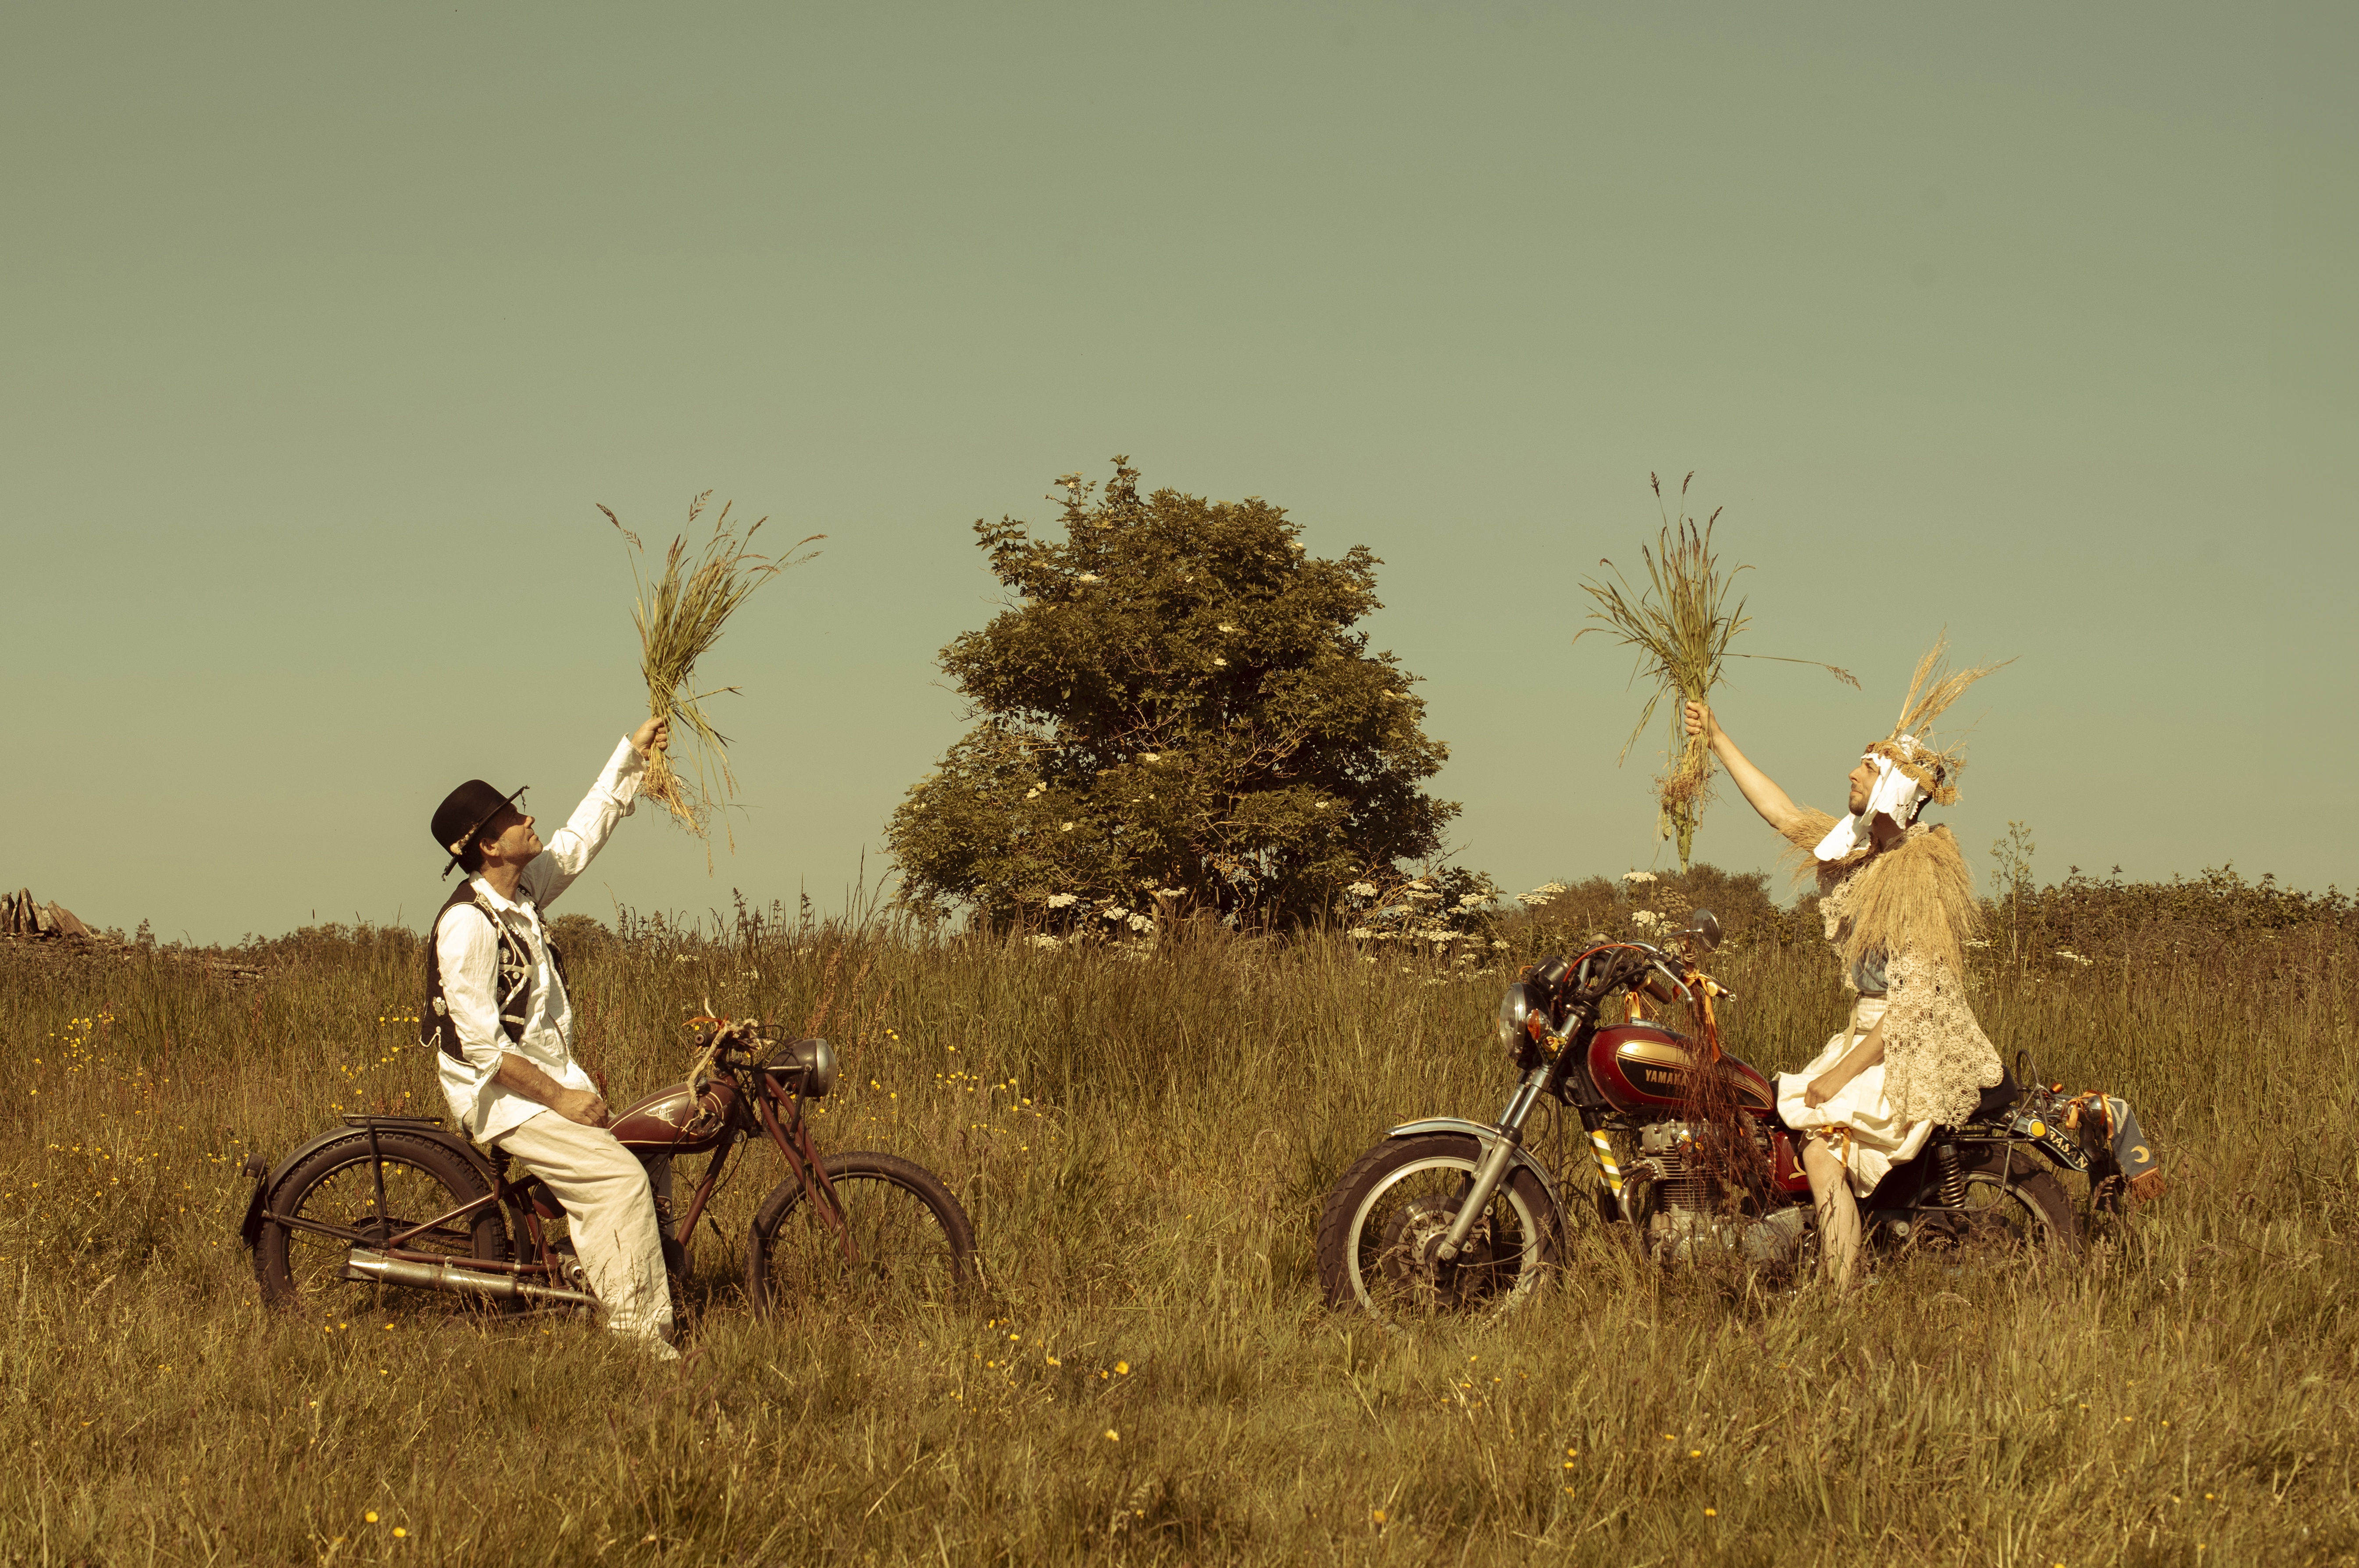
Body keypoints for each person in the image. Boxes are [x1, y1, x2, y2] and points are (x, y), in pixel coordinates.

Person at [1682, 645, 2004, 1291]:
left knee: (1823, 1154)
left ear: (1893, 790)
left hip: (1908, 1046)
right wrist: (1716, 738)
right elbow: (1782, 814)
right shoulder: (1860, 855)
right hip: (1868, 1033)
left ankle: (1840, 1295)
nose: (1851, 774)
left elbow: (1913, 1005)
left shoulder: (1918, 876)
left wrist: (1839, 1077)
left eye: (1865, 769)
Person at [422, 717, 679, 1357]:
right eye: (514, 817)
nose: (529, 818)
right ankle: (641, 1344)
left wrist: (632, 756)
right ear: (489, 846)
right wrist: (561, 1098)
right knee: (617, 1182)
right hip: (500, 1096)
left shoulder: (525, 892)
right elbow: (483, 1050)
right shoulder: (467, 924)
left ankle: (599, 1272)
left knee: (653, 1150)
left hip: (541, 1081)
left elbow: (581, 836)